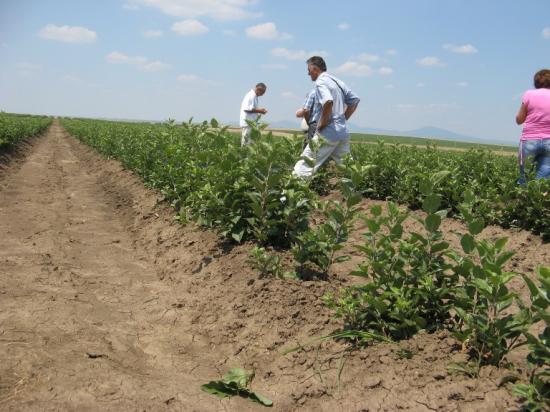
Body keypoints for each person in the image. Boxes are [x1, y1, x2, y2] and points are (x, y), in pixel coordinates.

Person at [293, 56, 360, 178]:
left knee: (303, 167)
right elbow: (354, 100)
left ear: (315, 69)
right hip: (342, 132)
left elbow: (328, 102)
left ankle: (288, 196)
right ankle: (355, 193)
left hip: (328, 132)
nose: (308, 73)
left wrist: (322, 124)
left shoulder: (321, 82)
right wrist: (342, 119)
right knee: (349, 168)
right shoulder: (336, 81)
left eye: (309, 70)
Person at [516, 69, 550, 183]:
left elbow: (519, 120)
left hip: (529, 140)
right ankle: (538, 200)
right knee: (542, 181)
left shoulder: (529, 94)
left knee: (524, 177)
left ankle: (523, 199)